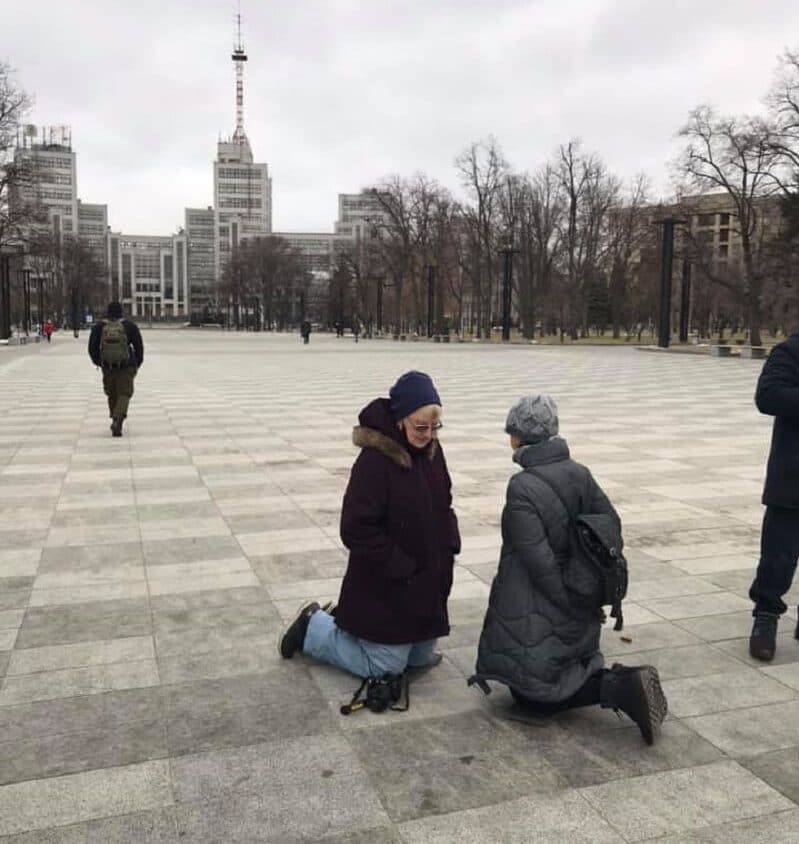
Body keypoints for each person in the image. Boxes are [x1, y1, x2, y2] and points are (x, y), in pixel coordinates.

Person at [468, 394, 668, 745]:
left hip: (544, 605)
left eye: (510, 432)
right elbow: (611, 525)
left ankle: (620, 688)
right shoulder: (580, 473)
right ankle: (606, 681)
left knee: (529, 697)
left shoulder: (523, 487)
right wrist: (584, 586)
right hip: (582, 598)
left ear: (519, 436)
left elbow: (538, 561)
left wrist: (564, 599)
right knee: (550, 673)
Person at [279, 370, 461, 680]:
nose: (428, 434)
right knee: (384, 667)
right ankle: (314, 625)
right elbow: (355, 528)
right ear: (401, 419)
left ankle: (359, 634)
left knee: (418, 660)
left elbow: (444, 501)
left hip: (425, 580)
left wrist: (449, 543)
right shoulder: (375, 462)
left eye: (434, 426)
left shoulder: (433, 452)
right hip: (387, 582)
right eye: (421, 426)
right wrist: (400, 566)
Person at [748, 323, 799, 660]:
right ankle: (766, 617)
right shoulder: (791, 350)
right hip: (793, 477)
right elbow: (767, 395)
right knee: (778, 557)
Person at [88, 302, 143, 438]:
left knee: (111, 393)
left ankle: (114, 418)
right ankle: (118, 419)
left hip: (107, 366)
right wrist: (136, 364)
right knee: (124, 393)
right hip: (126, 366)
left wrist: (100, 362)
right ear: (121, 312)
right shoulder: (130, 326)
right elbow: (139, 347)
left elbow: (92, 348)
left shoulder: (99, 327)